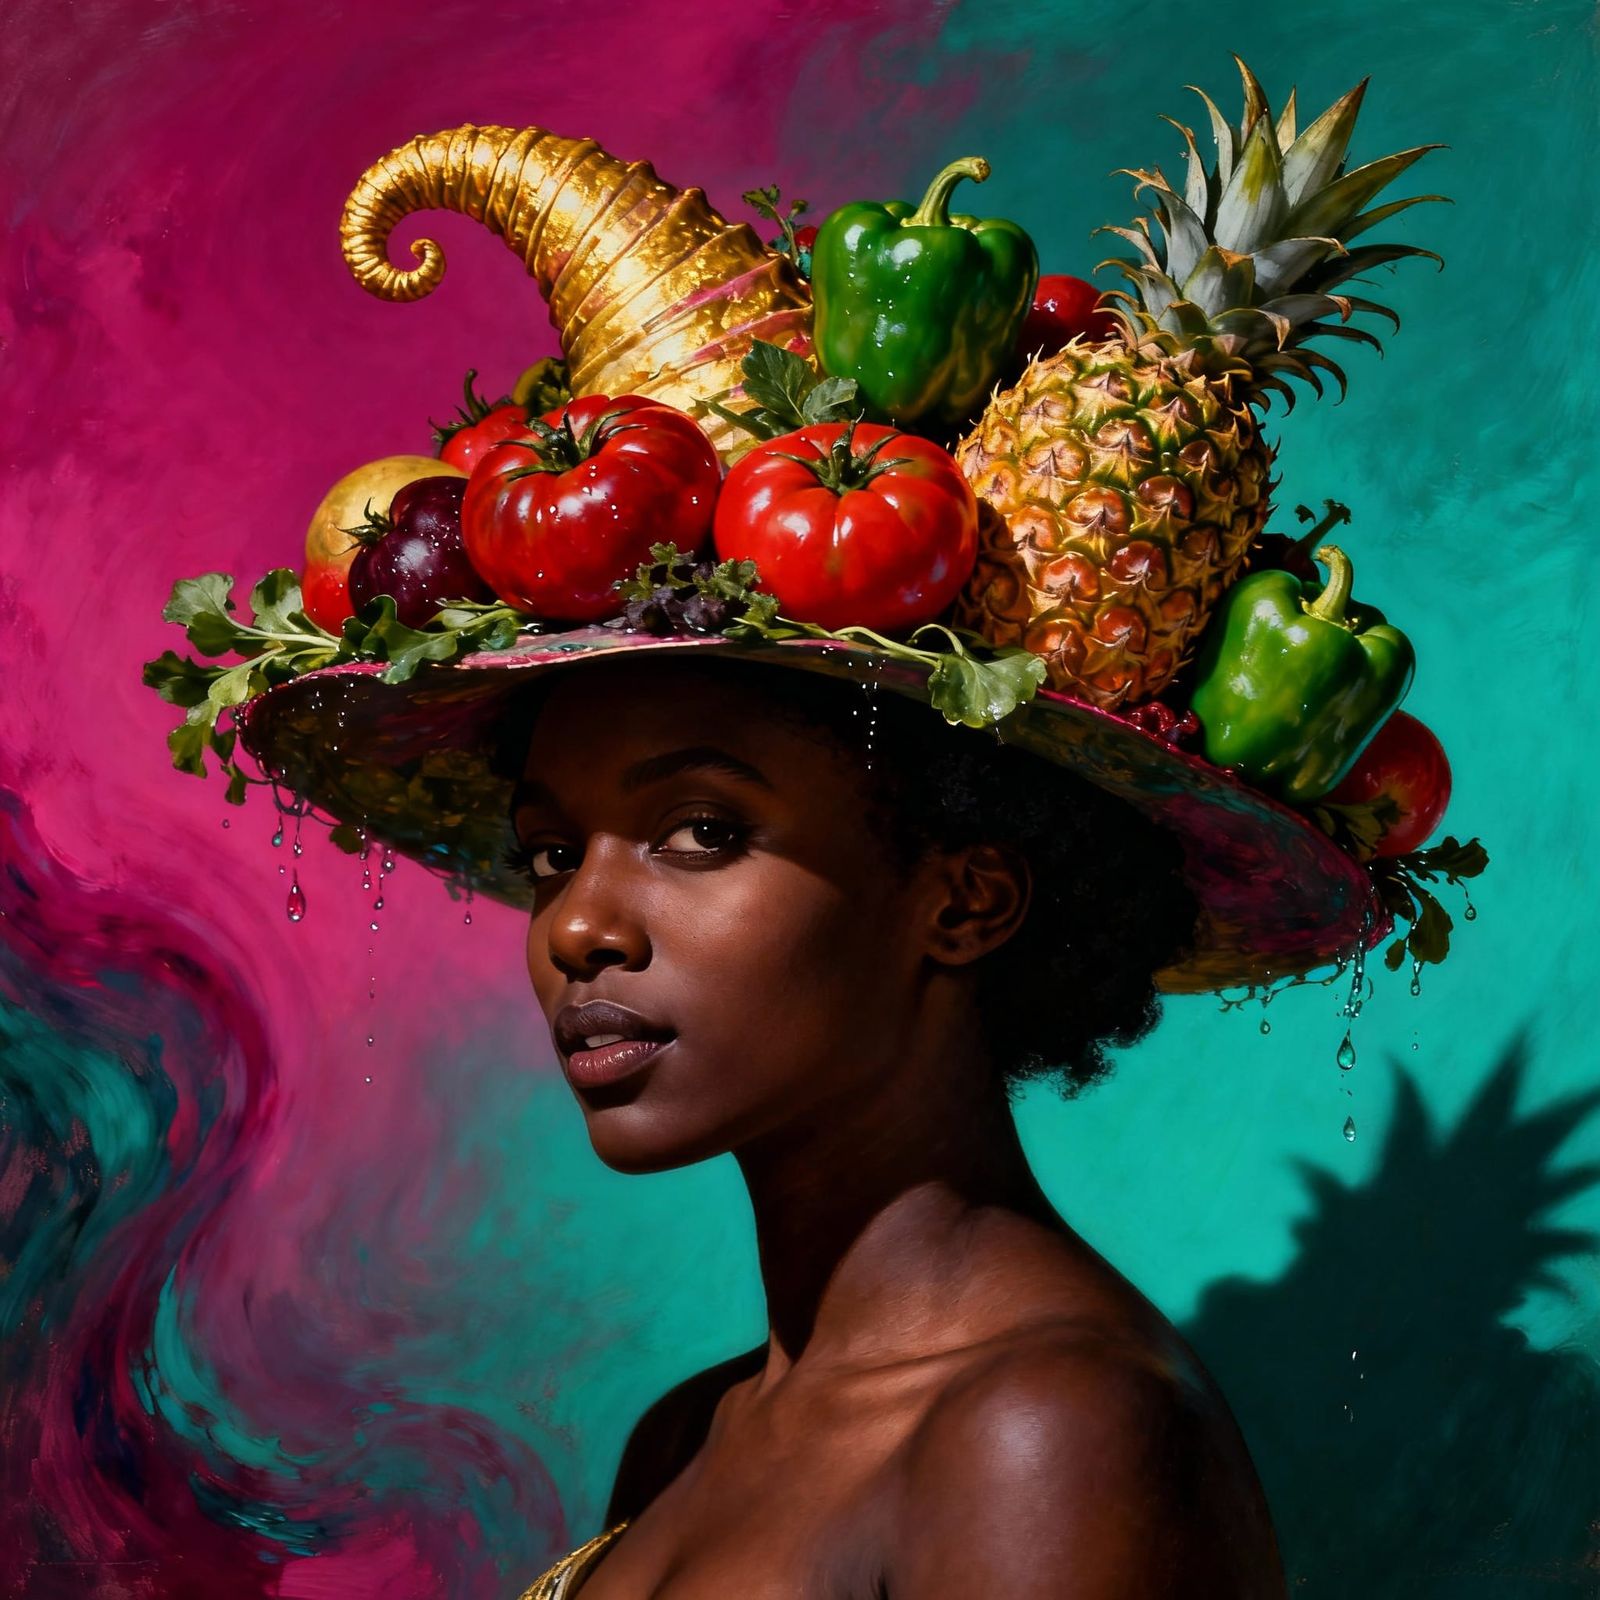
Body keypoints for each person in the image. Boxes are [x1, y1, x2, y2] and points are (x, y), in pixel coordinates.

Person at [245, 630, 1373, 1598]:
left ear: (962, 901)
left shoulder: (1044, 1433)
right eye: (551, 852)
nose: (577, 925)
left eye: (701, 832)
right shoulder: (686, 1437)